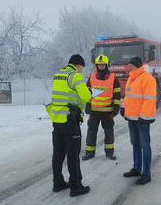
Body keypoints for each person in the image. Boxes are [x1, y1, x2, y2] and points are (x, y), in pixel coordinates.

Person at [46, 54, 92, 197]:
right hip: (70, 121)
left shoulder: (58, 74)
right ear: (78, 65)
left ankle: (58, 183)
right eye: (81, 68)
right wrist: (89, 92)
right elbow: (86, 97)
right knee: (73, 154)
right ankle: (76, 186)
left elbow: (64, 95)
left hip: (57, 120)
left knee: (58, 153)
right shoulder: (75, 76)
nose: (81, 71)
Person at [120, 56, 156, 185]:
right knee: (135, 144)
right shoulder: (132, 77)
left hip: (141, 119)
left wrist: (144, 117)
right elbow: (128, 96)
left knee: (145, 146)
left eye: (130, 65)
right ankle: (136, 168)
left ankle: (146, 174)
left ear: (136, 65)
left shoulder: (147, 78)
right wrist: (123, 107)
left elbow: (149, 99)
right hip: (132, 118)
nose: (128, 66)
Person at [82, 54, 121, 160]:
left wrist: (116, 108)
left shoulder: (113, 78)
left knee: (109, 132)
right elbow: (87, 93)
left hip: (108, 111)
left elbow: (117, 94)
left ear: (107, 65)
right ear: (96, 66)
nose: (101, 67)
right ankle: (89, 152)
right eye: (99, 65)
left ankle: (109, 152)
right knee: (91, 132)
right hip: (94, 111)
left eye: (103, 65)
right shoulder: (92, 77)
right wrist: (88, 105)